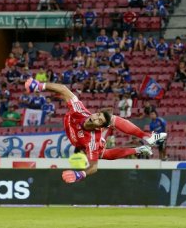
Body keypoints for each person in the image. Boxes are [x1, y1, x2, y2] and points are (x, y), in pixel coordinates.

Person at [24, 78, 167, 183]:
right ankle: (144, 140)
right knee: (110, 127)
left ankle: (142, 143)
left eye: (99, 120)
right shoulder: (80, 110)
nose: (95, 118)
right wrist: (39, 86)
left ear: (99, 127)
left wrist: (80, 175)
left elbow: (93, 167)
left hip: (82, 142)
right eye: (97, 114)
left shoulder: (93, 140)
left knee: (104, 153)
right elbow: (63, 88)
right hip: (73, 130)